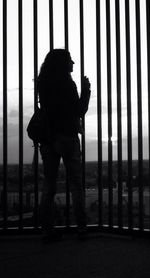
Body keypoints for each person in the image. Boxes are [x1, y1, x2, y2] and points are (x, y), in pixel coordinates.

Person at [37, 49, 91, 242]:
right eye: (70, 60)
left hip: (48, 139)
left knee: (49, 185)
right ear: (63, 63)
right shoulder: (68, 84)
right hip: (67, 137)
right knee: (76, 184)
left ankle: (47, 230)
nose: (73, 64)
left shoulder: (43, 83)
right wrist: (86, 90)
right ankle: (82, 228)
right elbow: (79, 110)